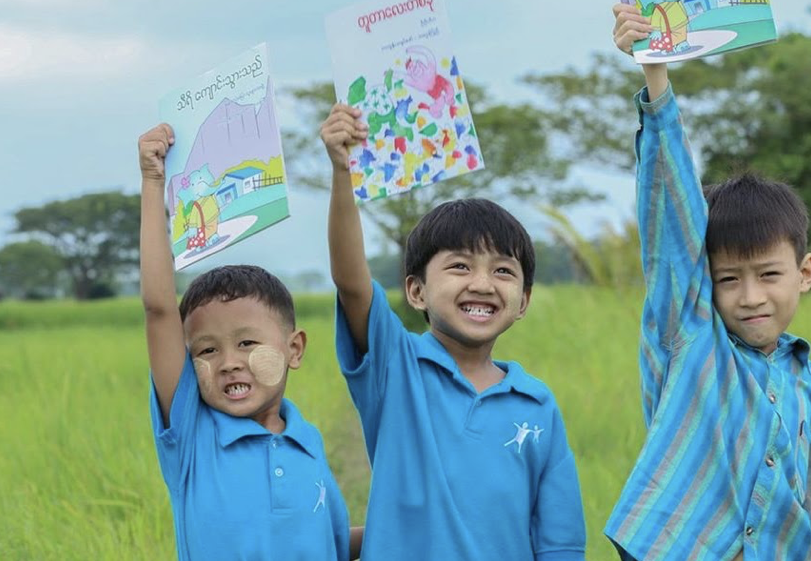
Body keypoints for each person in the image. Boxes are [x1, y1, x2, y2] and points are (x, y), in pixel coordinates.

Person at [603, 4, 811, 561]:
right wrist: (656, 76)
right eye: (728, 279)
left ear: (804, 274)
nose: (750, 296)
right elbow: (673, 235)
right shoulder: (691, 340)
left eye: (769, 275)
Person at [319, 106, 587, 560]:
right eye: (460, 266)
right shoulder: (395, 368)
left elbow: (559, 540)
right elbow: (351, 283)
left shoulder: (538, 405)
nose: (482, 284)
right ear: (416, 291)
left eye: (503, 271)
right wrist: (342, 172)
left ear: (523, 301)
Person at [138, 123, 361, 561]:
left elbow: (333, 544)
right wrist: (152, 184)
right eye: (206, 350)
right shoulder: (192, 438)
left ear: (294, 349)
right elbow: (159, 309)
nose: (228, 363)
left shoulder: (307, 443)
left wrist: (414, 526)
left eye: (246, 343)